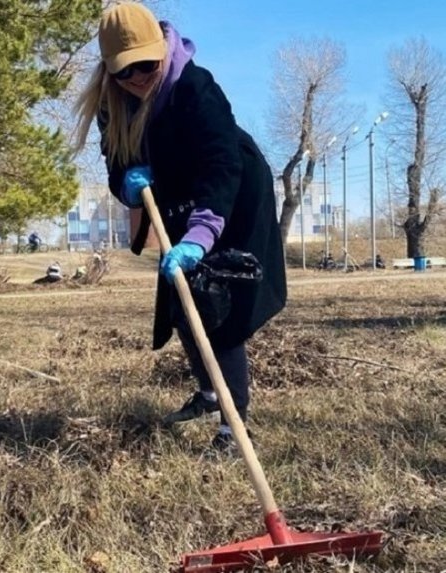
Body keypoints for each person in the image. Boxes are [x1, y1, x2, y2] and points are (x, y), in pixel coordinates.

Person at [74, 2, 287, 452]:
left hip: (233, 194)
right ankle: (210, 394)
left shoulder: (196, 87)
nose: (137, 77)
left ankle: (235, 427)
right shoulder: (112, 104)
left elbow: (222, 164)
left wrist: (202, 235)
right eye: (124, 71)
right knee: (181, 301)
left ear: (162, 49)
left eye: (146, 64)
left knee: (216, 307)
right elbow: (117, 164)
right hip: (177, 197)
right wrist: (126, 186)